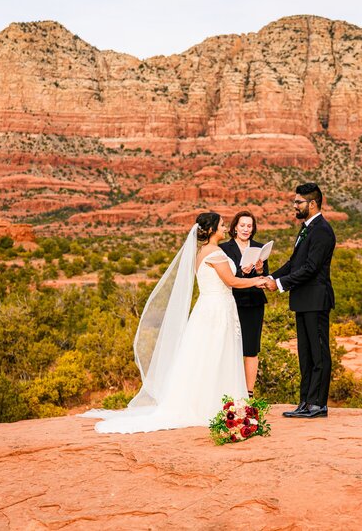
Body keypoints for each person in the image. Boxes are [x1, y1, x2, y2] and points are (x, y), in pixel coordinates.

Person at [81, 212, 268, 433]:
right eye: (222, 225)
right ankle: (214, 403)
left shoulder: (202, 252)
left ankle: (213, 400)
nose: (225, 228)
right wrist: (258, 279)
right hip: (217, 309)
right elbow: (231, 281)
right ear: (211, 230)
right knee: (217, 353)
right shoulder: (215, 252)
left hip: (211, 307)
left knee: (209, 354)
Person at [265, 183, 336, 419]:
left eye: (298, 202)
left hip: (316, 300)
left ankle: (318, 405)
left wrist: (281, 284)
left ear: (312, 204)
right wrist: (271, 277)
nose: (294, 206)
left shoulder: (322, 230)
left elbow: (310, 268)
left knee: (319, 353)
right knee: (305, 354)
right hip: (303, 300)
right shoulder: (306, 229)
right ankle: (305, 402)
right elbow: (294, 263)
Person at [219, 211, 269, 398]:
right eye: (242, 225)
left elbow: (265, 276)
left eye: (249, 226)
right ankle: (228, 391)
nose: (246, 229)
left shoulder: (259, 247)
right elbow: (225, 278)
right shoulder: (224, 248)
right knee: (229, 347)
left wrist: (260, 269)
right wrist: (241, 272)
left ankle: (249, 393)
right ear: (235, 227)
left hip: (254, 303)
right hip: (232, 302)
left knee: (251, 348)